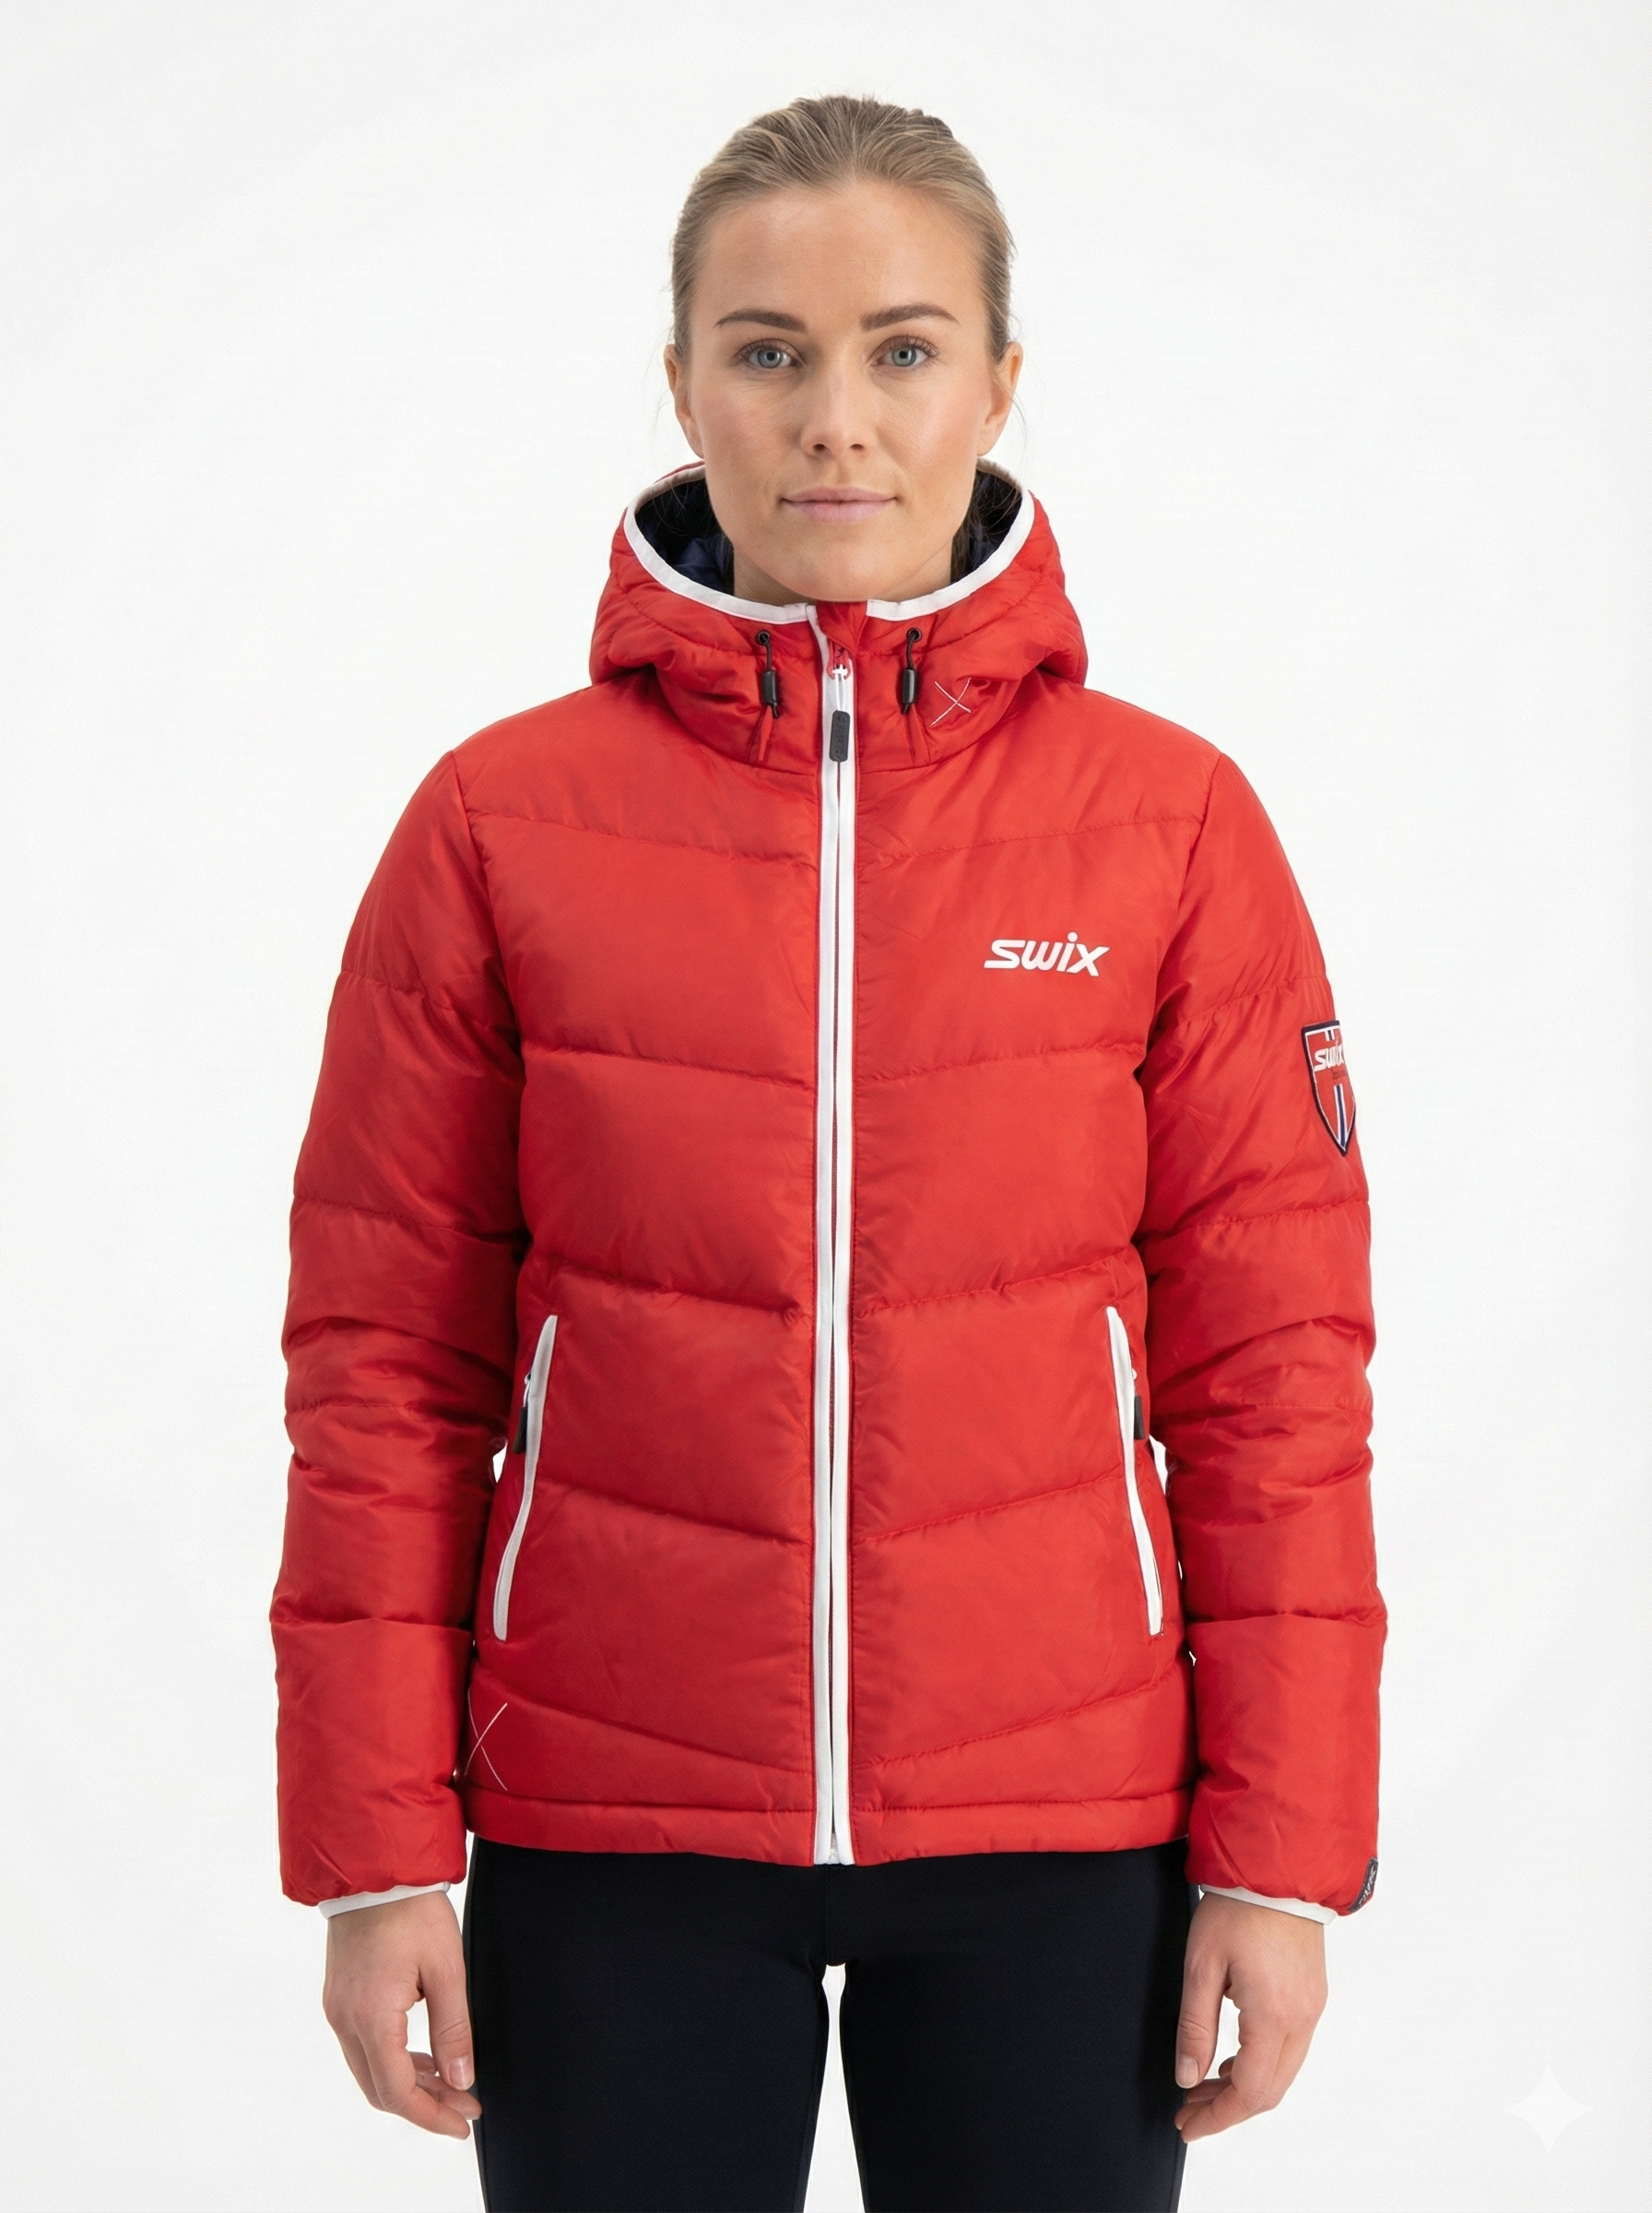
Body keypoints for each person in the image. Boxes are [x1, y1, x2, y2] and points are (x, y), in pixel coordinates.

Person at [272, 93, 1385, 2213]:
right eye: (767, 351)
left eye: (900, 348)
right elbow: (383, 1370)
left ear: (997, 382)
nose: (834, 420)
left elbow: (1274, 1380)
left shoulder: (1167, 828)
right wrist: (374, 1848)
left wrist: (1279, 1858)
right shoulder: (496, 826)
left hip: (1066, 1828)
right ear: (681, 382)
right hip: (610, 1818)